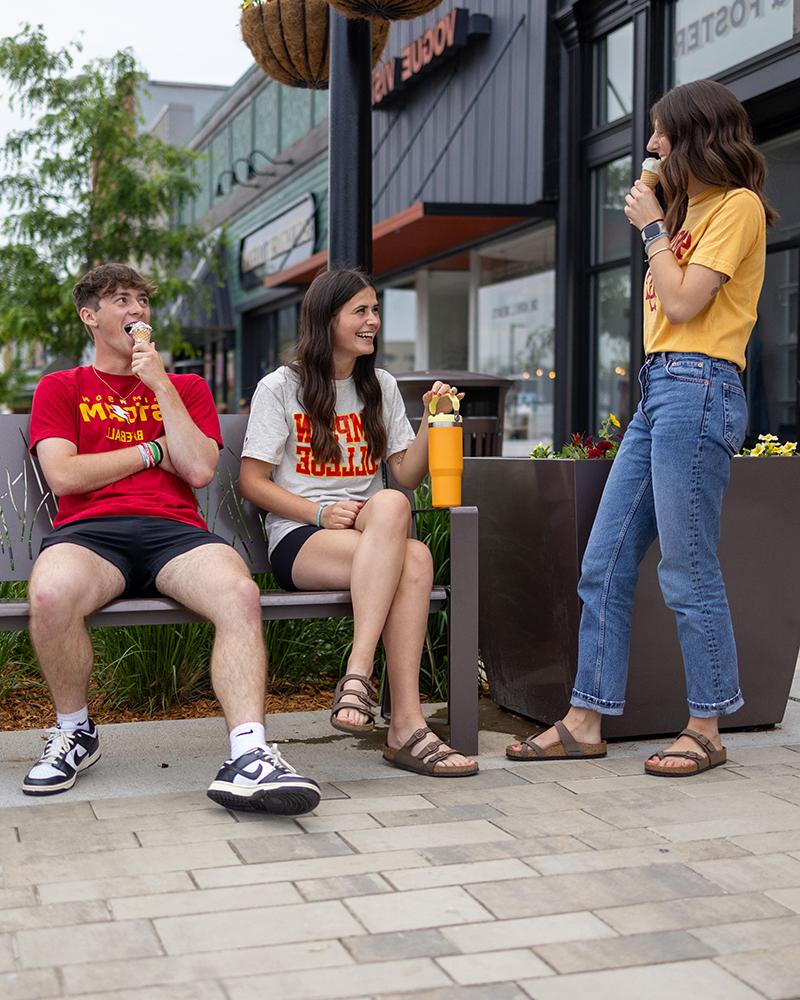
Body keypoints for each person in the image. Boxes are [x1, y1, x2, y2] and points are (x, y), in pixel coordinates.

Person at [508, 79, 775, 776]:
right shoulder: (689, 213)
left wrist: (654, 229)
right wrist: (662, 225)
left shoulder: (737, 207)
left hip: (701, 384)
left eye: (660, 133)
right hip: (661, 388)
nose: (651, 145)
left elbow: (685, 303)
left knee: (687, 566)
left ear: (694, 135)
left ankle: (708, 726)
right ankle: (585, 719)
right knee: (604, 560)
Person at [23, 263, 321, 815]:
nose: (136, 310)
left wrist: (159, 384)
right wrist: (149, 452)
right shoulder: (62, 387)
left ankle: (249, 754)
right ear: (90, 317)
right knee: (48, 594)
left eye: (141, 300)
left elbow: (200, 469)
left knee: (239, 593)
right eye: (120, 300)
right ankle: (74, 732)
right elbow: (64, 475)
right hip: (90, 536)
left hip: (173, 534)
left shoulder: (185, 387)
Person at [239, 267, 478, 777]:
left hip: (371, 535)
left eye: (375, 310)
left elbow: (405, 476)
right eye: (361, 312)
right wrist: (318, 512)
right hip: (302, 537)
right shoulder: (281, 388)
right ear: (327, 320)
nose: (373, 321)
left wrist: (434, 421)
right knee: (410, 552)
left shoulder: (380, 386)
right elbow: (252, 483)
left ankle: (368, 684)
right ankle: (403, 724)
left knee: (396, 516)